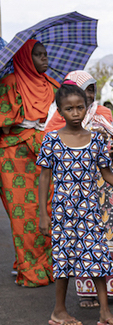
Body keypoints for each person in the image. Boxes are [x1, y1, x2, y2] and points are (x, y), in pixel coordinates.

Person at [36, 82, 113, 325]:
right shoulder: (52, 140)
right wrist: (43, 215)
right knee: (64, 260)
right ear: (60, 111)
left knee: (97, 256)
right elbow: (44, 177)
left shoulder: (96, 140)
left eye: (80, 107)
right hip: (62, 212)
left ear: (87, 107)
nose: (76, 113)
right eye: (69, 109)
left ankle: (104, 312)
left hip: (90, 211)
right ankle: (59, 311)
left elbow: (107, 174)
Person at [0, 39, 58, 287]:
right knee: (23, 214)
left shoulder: (53, 85)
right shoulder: (9, 83)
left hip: (47, 153)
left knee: (49, 209)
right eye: (38, 54)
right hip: (15, 156)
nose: (45, 58)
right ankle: (31, 269)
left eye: (45, 54)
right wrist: (26, 124)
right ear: (25, 58)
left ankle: (47, 265)